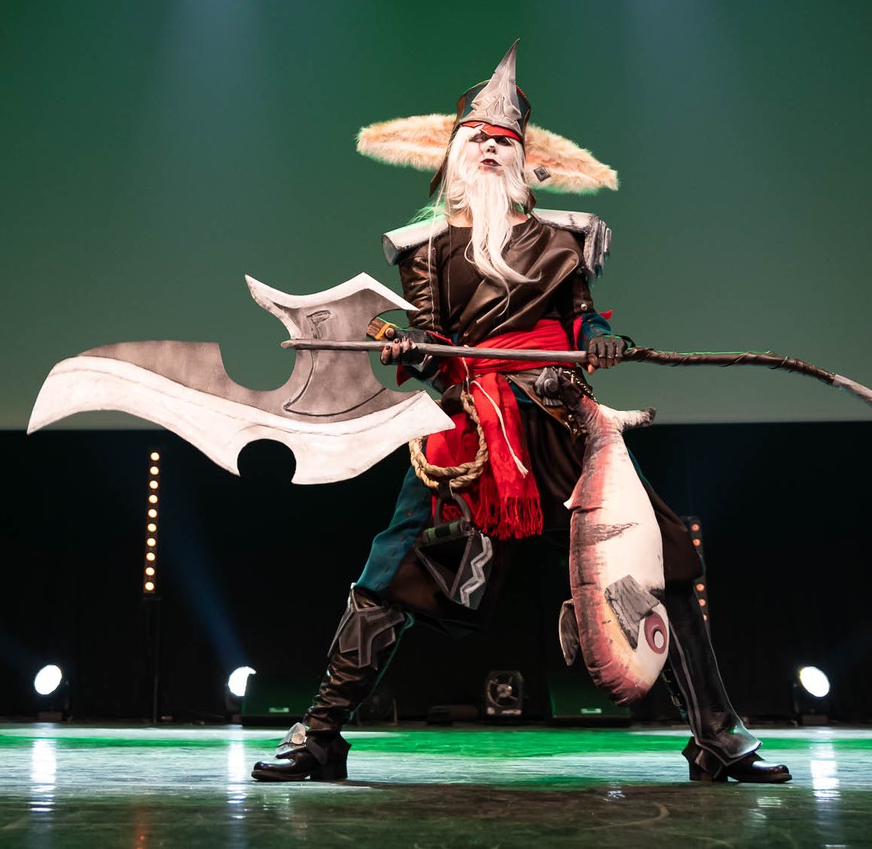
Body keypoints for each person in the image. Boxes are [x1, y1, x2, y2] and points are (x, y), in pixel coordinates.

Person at [252, 43, 790, 785]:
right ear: (454, 156)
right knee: (392, 569)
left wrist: (598, 342)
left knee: (659, 560)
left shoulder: (567, 238)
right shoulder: (424, 247)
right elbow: (435, 343)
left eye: (503, 141)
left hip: (566, 415)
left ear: (522, 160)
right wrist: (409, 346)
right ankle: (319, 734)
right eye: (476, 138)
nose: (489, 147)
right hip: (472, 423)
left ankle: (716, 736)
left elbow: (583, 318)